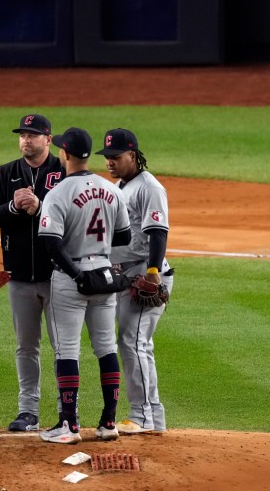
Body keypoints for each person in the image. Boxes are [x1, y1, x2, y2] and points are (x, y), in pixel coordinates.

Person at [38, 127, 131, 444]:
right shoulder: (112, 190)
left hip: (71, 278)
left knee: (68, 349)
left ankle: (68, 425)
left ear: (63, 153)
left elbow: (50, 243)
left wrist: (76, 273)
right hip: (104, 275)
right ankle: (109, 422)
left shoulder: (58, 193)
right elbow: (124, 237)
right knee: (106, 347)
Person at [0, 114, 65, 433]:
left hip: (59, 277)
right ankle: (28, 411)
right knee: (25, 346)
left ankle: (65, 409)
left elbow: (76, 216)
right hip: (18, 276)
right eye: (22, 135)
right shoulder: (5, 174)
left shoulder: (63, 171)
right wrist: (14, 208)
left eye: (32, 135)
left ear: (48, 138)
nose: (26, 139)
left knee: (63, 347)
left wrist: (40, 207)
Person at [95, 129, 174, 435]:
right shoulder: (122, 185)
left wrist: (152, 271)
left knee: (133, 343)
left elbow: (158, 231)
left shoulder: (149, 187)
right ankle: (153, 418)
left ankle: (141, 416)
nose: (110, 162)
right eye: (107, 158)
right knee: (136, 344)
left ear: (133, 155)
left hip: (143, 274)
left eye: (115, 157)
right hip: (125, 275)